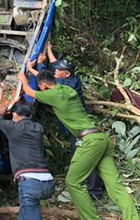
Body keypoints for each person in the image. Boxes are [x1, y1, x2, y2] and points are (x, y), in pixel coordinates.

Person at [19, 70, 140, 220]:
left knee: (73, 182)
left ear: (44, 86)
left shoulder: (53, 95)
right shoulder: (66, 89)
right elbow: (45, 79)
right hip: (102, 139)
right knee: (115, 186)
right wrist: (34, 70)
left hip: (89, 141)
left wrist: (22, 78)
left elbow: (29, 92)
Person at [27, 42, 104, 200]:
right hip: (82, 129)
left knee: (83, 159)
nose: (55, 71)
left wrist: (35, 68)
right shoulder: (67, 81)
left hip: (80, 132)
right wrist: (48, 50)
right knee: (82, 157)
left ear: (66, 74)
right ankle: (96, 186)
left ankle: (94, 192)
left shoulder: (67, 85)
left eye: (58, 71)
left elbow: (47, 80)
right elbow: (52, 72)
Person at [0, 101, 55, 220]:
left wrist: (0, 112)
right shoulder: (38, 128)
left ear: (15, 116)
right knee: (27, 203)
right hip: (48, 182)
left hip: (29, 183)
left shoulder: (12, 128)